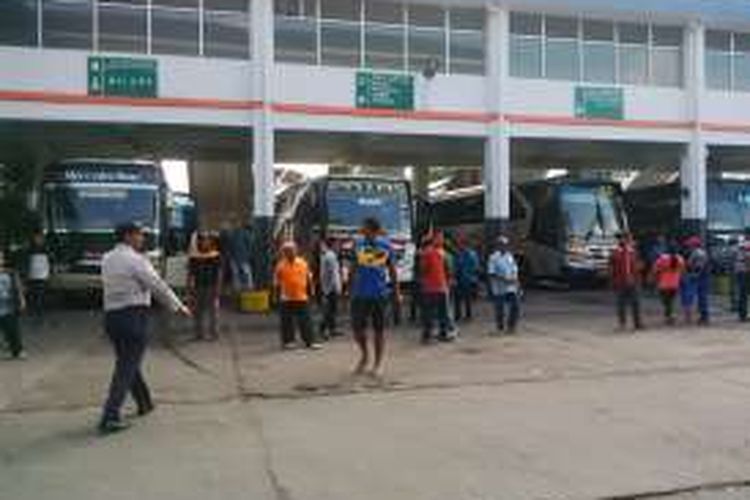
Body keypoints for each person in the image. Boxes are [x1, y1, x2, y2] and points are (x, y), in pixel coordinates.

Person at [99, 222, 191, 435]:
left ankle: (144, 402)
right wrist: (178, 306)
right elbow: (157, 285)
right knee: (126, 367)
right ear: (129, 236)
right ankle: (110, 415)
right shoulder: (135, 260)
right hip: (133, 316)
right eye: (140, 235)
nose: (142, 238)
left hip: (112, 317)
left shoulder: (107, 258)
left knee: (128, 362)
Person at [350, 217, 400, 377]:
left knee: (379, 331)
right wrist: (348, 288)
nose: (362, 231)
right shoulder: (357, 244)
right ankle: (364, 355)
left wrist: (396, 292)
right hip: (359, 294)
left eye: (364, 228)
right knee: (357, 330)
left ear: (373, 230)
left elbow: (392, 271)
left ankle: (377, 364)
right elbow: (353, 267)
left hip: (379, 294)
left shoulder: (386, 245)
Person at [274, 241, 320, 350]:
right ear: (284, 253)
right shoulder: (280, 265)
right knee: (287, 321)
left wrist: (311, 293)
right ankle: (288, 341)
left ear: (296, 251)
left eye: (292, 250)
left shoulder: (303, 263)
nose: (290, 252)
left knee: (306, 321)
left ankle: (310, 341)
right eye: (287, 251)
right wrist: (276, 296)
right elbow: (276, 282)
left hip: (302, 296)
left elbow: (309, 279)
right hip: (286, 297)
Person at [418, 232, 453, 344]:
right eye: (439, 238)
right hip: (430, 288)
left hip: (442, 286)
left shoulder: (443, 253)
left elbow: (447, 270)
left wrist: (448, 281)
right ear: (434, 239)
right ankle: (427, 336)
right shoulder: (427, 252)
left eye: (442, 238)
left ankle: (443, 333)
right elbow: (422, 269)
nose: (441, 240)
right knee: (429, 313)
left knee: (443, 312)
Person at [188, 232, 222, 341]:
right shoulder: (194, 257)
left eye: (206, 240)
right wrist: (190, 286)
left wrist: (218, 288)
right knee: (198, 311)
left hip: (212, 286)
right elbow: (191, 273)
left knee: (213, 311)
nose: (204, 242)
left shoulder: (215, 256)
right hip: (199, 286)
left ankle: (214, 333)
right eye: (202, 240)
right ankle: (199, 333)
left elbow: (219, 273)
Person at [610, 232, 644, 331]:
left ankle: (637, 323)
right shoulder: (615, 253)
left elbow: (640, 265)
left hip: (634, 281)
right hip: (620, 282)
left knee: (636, 303)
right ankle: (622, 324)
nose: (626, 241)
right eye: (623, 239)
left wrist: (639, 270)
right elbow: (611, 269)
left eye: (628, 239)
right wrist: (612, 281)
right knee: (621, 304)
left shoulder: (634, 252)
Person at [487, 235, 520, 335]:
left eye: (505, 244)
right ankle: (500, 327)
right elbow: (491, 273)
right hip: (499, 288)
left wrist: (516, 281)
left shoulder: (509, 256)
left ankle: (511, 326)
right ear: (498, 246)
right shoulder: (493, 257)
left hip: (511, 286)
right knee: (500, 308)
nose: (504, 246)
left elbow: (514, 269)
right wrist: (504, 279)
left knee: (515, 306)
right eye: (501, 244)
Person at [0, 249, 26, 360]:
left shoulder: (10, 273)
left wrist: (22, 299)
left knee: (13, 330)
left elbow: (18, 287)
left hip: (8, 307)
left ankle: (18, 350)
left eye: (1, 258)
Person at [652, 243, 685, 325]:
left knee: (666, 301)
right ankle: (670, 315)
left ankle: (669, 316)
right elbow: (683, 270)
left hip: (664, 283)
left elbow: (655, 269)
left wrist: (657, 274)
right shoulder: (680, 259)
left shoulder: (663, 258)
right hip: (675, 283)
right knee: (671, 301)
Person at [681, 236, 710, 325]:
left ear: (694, 245)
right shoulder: (695, 252)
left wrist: (693, 275)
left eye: (690, 245)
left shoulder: (699, 253)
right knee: (699, 297)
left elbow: (699, 267)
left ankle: (704, 317)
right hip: (700, 276)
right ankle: (702, 316)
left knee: (702, 297)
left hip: (701, 277)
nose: (688, 246)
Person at [318, 238, 343, 339]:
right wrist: (336, 287)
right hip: (330, 288)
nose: (339, 247)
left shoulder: (328, 255)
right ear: (332, 245)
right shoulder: (330, 256)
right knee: (328, 310)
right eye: (337, 244)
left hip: (328, 287)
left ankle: (332, 329)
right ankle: (323, 330)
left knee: (331, 310)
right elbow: (331, 274)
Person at [25, 230, 50, 325]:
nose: (39, 240)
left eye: (41, 238)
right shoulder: (30, 249)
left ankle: (39, 314)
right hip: (33, 275)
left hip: (42, 275)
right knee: (33, 295)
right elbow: (28, 263)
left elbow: (47, 263)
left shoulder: (46, 249)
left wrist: (47, 274)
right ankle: (35, 313)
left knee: (40, 295)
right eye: (38, 238)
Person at [453, 235, 480, 322]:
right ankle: (458, 315)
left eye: (460, 244)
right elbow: (455, 266)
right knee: (457, 299)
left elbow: (475, 267)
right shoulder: (458, 254)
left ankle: (468, 315)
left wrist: (472, 276)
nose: (459, 246)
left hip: (467, 279)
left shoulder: (471, 254)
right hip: (460, 279)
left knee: (467, 299)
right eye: (458, 244)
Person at [732, 234, 750, 322]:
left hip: (740, 272)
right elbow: (747, 259)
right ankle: (743, 315)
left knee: (742, 294)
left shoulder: (738, 246)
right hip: (744, 272)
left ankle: (742, 314)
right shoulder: (745, 245)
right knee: (743, 294)